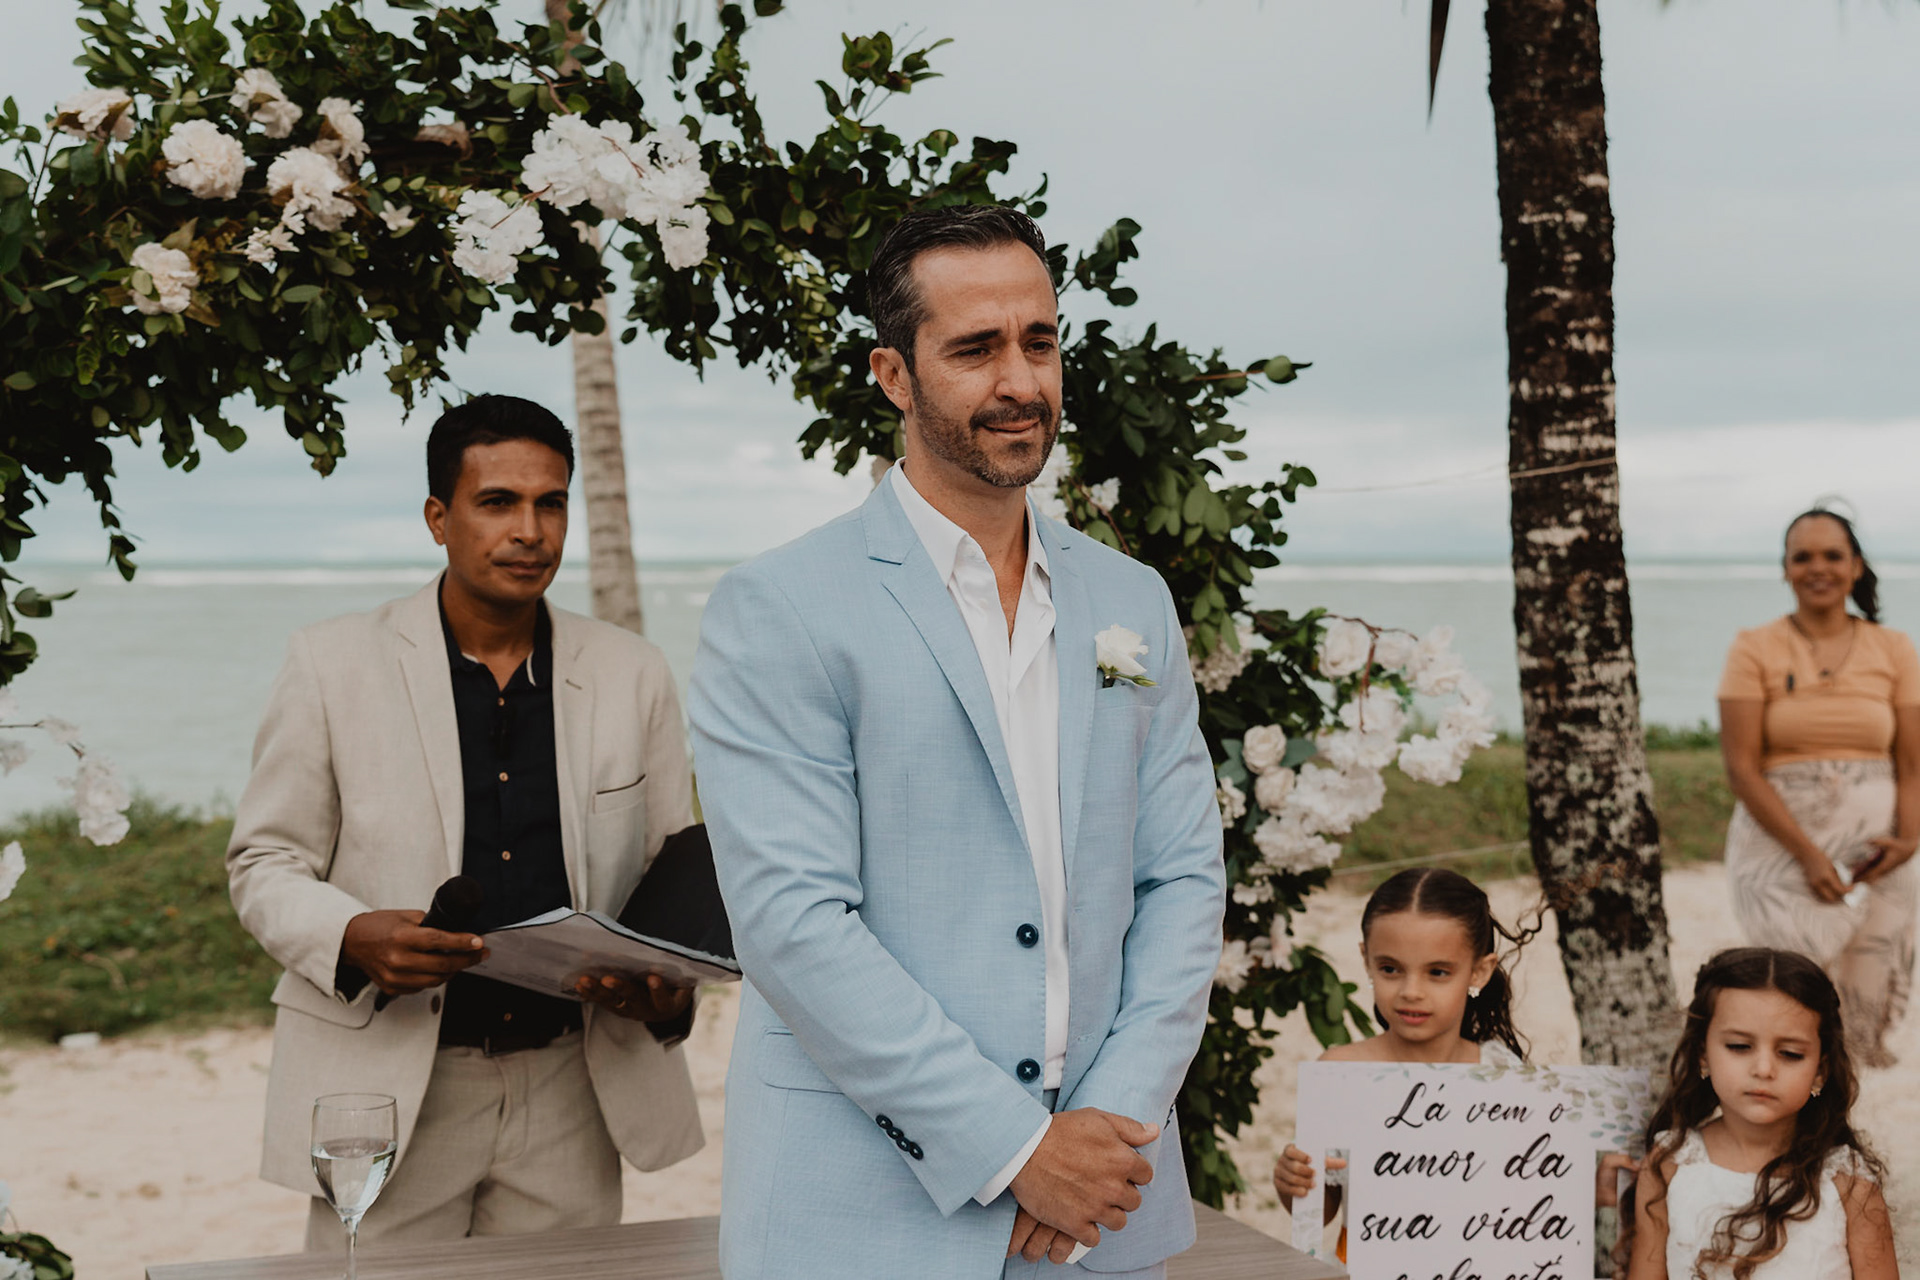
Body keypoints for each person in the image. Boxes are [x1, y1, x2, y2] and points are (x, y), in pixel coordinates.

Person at [688, 205, 1225, 1280]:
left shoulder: (1132, 600)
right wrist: (1017, 1149)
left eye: (1040, 341)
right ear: (893, 374)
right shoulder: (781, 607)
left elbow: (1182, 875)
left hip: (1103, 1206)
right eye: (975, 349)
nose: (1020, 381)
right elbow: (794, 923)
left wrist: (1109, 1125)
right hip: (863, 1215)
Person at [227, 395, 703, 1245]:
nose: (530, 531)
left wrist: (667, 987)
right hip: (387, 1082)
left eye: (551, 503)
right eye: (498, 502)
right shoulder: (331, 662)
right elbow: (264, 861)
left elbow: (671, 874)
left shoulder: (634, 672)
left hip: (575, 1085)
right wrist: (350, 936)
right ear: (438, 519)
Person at [1718, 508, 1920, 1067]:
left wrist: (1909, 841)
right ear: (1785, 569)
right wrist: (1808, 856)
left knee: (1861, 1014)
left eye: (1833, 555)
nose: (1818, 568)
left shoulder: (1895, 648)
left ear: (1855, 567)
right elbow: (1741, 768)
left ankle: (1839, 1120)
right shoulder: (1753, 647)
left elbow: (1912, 764)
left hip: (1880, 859)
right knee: (1788, 1002)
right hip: (1781, 856)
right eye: (1802, 556)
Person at [1271, 868, 1538, 1258]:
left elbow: (1525, 1196)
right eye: (1390, 969)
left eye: (1438, 972)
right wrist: (1292, 1181)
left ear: (1479, 971)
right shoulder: (1339, 1073)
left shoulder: (1503, 1077)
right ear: (1366, 960)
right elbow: (1320, 1210)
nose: (1411, 991)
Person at [1620, 947, 1896, 1279]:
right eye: (1739, 1047)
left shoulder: (1849, 1182)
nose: (1764, 1069)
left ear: (1820, 1071)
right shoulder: (1669, 1164)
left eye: (1790, 1053)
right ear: (1703, 1054)